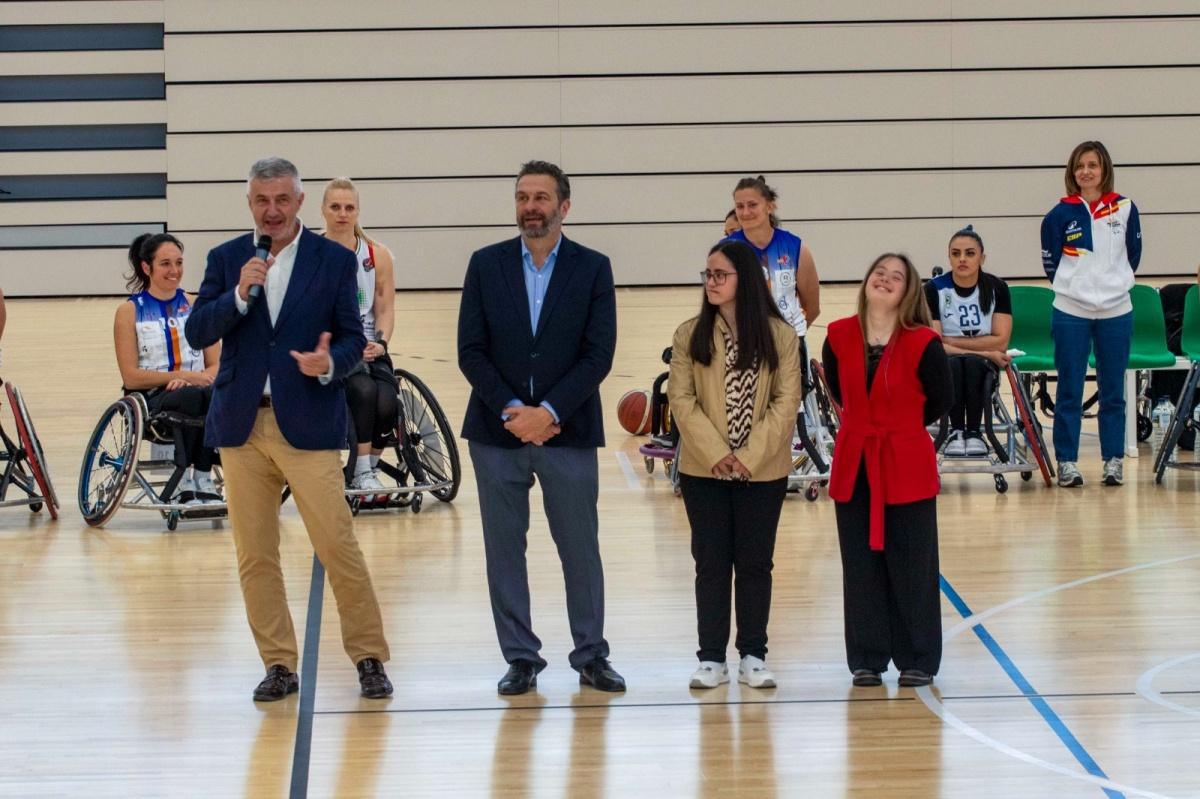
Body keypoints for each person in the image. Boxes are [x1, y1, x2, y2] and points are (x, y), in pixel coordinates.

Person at [184, 156, 392, 702]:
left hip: (308, 422)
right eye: (262, 200)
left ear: (300, 201)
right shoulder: (227, 258)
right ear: (249, 203)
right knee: (255, 555)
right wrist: (236, 297)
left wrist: (329, 364)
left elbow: (353, 338)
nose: (271, 210)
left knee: (337, 545)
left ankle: (368, 656)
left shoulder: (333, 260)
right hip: (241, 426)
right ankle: (278, 663)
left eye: (281, 199)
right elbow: (197, 329)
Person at [458, 160, 623, 696]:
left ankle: (591, 655)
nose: (531, 207)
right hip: (497, 432)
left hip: (566, 432)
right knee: (504, 551)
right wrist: (514, 410)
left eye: (541, 197)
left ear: (564, 206)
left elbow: (598, 354)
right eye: (523, 197)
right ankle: (520, 658)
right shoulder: (485, 265)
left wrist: (549, 412)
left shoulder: (593, 268)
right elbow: (470, 351)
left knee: (580, 549)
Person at [668, 240, 801, 690]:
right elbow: (681, 400)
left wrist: (746, 458)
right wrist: (717, 454)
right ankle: (711, 658)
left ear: (746, 281)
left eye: (720, 275)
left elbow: (785, 403)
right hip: (703, 471)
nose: (711, 282)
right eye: (707, 274)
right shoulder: (689, 335)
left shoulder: (781, 336)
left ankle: (753, 655)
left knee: (755, 564)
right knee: (710, 563)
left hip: (762, 472)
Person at [823, 253, 952, 688]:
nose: (885, 279)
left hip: (905, 460)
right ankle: (867, 658)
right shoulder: (838, 336)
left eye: (896, 277)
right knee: (860, 564)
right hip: (855, 461)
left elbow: (941, 399)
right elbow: (840, 392)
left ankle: (918, 657)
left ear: (908, 292)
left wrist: (900, 425)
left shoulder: (924, 343)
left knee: (913, 563)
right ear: (866, 281)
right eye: (879, 272)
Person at [1041, 140, 1141, 488]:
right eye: (1080, 166)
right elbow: (1051, 263)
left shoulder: (1125, 208)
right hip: (1070, 311)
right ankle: (1067, 462)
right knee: (1069, 389)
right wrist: (1075, 288)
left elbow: (1133, 254)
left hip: (1117, 311)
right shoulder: (1058, 214)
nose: (1086, 171)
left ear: (1104, 169)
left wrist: (1113, 286)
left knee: (1113, 391)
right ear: (1072, 172)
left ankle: (1113, 460)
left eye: (1092, 165)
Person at [115, 233, 221, 503]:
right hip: (153, 397)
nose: (174, 270)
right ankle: (181, 480)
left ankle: (203, 477)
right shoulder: (129, 311)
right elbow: (131, 376)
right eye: (165, 264)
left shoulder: (196, 305)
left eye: (179, 262)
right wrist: (181, 376)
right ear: (146, 267)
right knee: (192, 397)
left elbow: (217, 363)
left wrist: (196, 378)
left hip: (197, 387)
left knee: (213, 394)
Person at [319, 177, 398, 498]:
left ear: (358, 211)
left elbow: (385, 308)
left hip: (369, 344)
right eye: (335, 207)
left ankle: (368, 469)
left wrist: (381, 342)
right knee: (363, 391)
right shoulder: (311, 253)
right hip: (333, 347)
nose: (342, 213)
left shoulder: (377, 254)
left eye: (349, 207)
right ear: (323, 210)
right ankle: (363, 471)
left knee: (388, 401)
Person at [923, 225, 1012, 456]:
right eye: (956, 254)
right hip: (948, 360)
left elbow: (1001, 342)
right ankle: (955, 432)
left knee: (972, 364)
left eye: (970, 253)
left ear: (982, 258)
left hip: (981, 363)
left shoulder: (997, 288)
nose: (962, 259)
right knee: (953, 364)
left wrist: (950, 340)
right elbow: (934, 345)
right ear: (949, 257)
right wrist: (986, 350)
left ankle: (974, 432)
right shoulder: (933, 289)